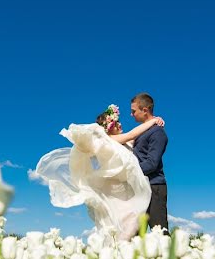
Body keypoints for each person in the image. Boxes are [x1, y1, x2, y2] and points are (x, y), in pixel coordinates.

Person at [31, 103, 165, 240]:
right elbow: (132, 134)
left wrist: (151, 123)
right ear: (109, 128)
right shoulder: (111, 139)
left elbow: (136, 137)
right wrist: (153, 120)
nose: (120, 125)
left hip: (130, 188)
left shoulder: (123, 141)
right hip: (123, 190)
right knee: (129, 229)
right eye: (116, 123)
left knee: (133, 228)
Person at [130, 92, 169, 232]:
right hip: (140, 187)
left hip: (154, 187)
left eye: (133, 111)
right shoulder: (142, 131)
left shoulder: (157, 133)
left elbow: (152, 163)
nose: (131, 114)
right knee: (133, 233)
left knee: (159, 231)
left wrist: (129, 172)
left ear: (145, 110)